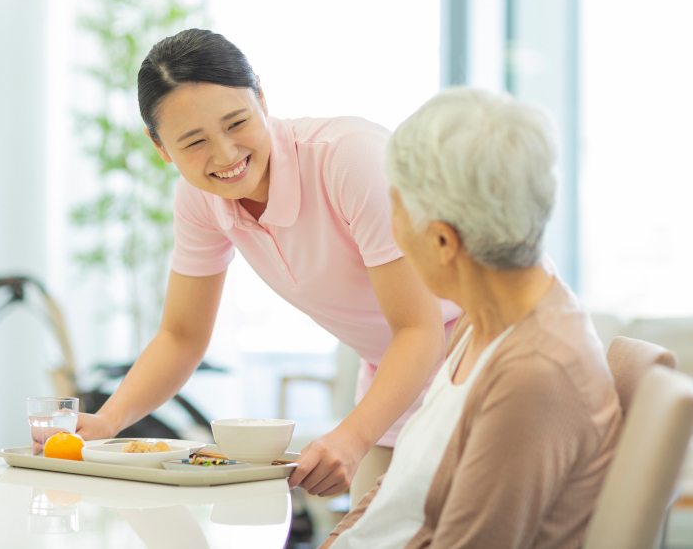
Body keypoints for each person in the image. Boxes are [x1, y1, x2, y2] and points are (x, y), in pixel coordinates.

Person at [75, 28, 461, 500]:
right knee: (368, 530)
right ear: (160, 147)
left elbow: (420, 328)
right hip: (395, 378)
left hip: (480, 356)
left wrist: (352, 437)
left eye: (237, 122)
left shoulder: (351, 159)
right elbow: (181, 336)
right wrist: (107, 421)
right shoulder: (199, 198)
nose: (225, 155)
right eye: (193, 142)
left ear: (261, 95)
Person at [322, 88, 623, 548]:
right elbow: (400, 487)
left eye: (394, 212)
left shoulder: (534, 373)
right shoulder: (481, 322)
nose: (390, 234)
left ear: (443, 242)